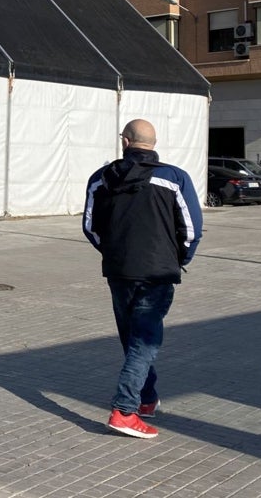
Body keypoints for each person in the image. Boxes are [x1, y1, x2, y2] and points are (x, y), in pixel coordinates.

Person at [82, 118, 203, 439]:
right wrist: (180, 258)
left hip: (119, 270)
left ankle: (146, 398)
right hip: (158, 271)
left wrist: (112, 252)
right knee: (145, 340)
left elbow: (90, 226)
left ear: (125, 142)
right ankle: (124, 410)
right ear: (154, 143)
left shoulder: (101, 178)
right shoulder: (174, 178)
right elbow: (192, 230)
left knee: (133, 338)